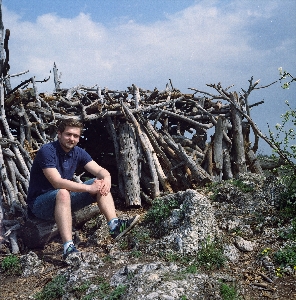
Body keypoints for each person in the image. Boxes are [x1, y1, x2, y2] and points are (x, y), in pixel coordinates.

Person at [27, 118, 139, 259]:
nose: (72, 139)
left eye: (76, 136)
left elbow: (100, 171)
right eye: (68, 134)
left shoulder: (78, 152)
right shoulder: (47, 151)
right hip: (40, 204)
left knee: (99, 182)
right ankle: (68, 247)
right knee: (63, 192)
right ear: (59, 134)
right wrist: (88, 188)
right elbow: (57, 182)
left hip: (64, 200)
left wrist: (107, 179)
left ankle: (114, 226)